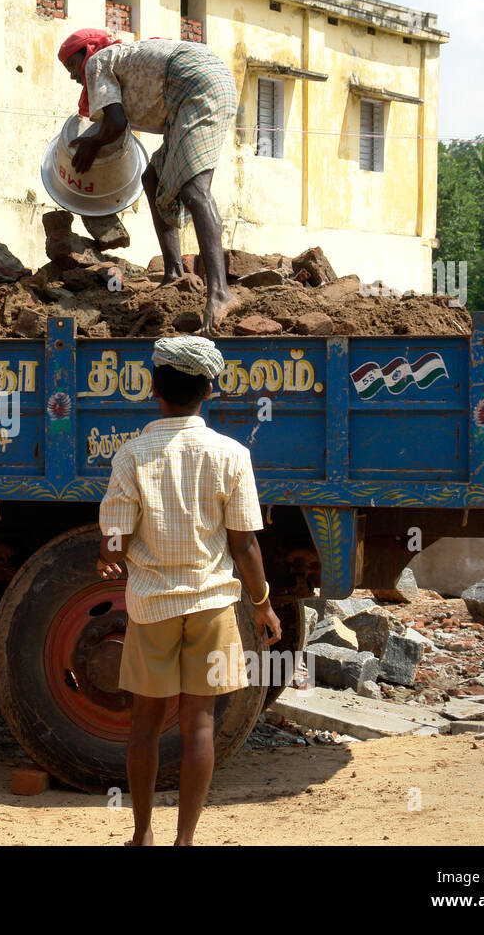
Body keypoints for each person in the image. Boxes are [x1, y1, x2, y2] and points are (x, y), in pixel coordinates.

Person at [96, 335, 281, 846]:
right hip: (213, 605)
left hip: (152, 605)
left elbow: (115, 538)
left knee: (145, 725)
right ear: (209, 392)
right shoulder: (232, 455)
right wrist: (262, 604)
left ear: (154, 389)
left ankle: (142, 835)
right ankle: (185, 841)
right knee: (199, 723)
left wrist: (111, 553)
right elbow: (244, 545)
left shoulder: (132, 454)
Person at [57, 31, 239, 334]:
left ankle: (220, 293)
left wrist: (90, 146)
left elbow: (116, 125)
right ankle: (174, 273)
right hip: (187, 94)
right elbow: (116, 129)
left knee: (195, 189)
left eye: (72, 65)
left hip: (197, 84)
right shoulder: (122, 63)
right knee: (152, 177)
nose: (75, 76)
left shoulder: (98, 62)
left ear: (87, 52)